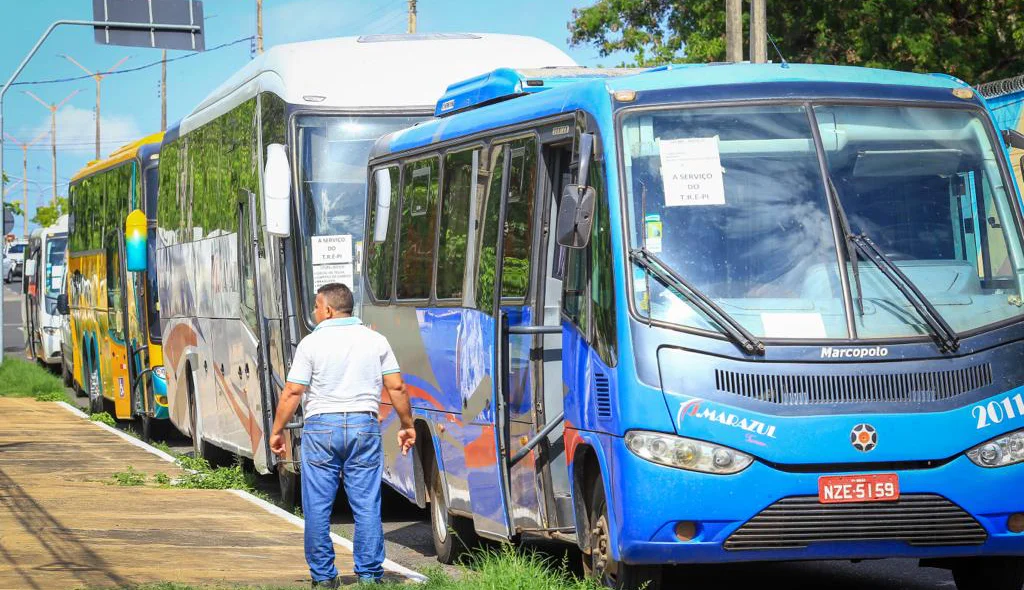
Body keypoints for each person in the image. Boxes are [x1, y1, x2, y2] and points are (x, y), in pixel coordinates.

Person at [270, 282, 416, 588]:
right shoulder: (375, 340)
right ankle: (369, 575)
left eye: (315, 306)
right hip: (364, 426)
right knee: (366, 504)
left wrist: (277, 430)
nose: (314, 311)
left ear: (327, 308)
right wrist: (407, 425)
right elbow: (398, 387)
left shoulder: (311, 344)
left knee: (317, 506)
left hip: (322, 427)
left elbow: (293, 391)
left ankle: (323, 577)